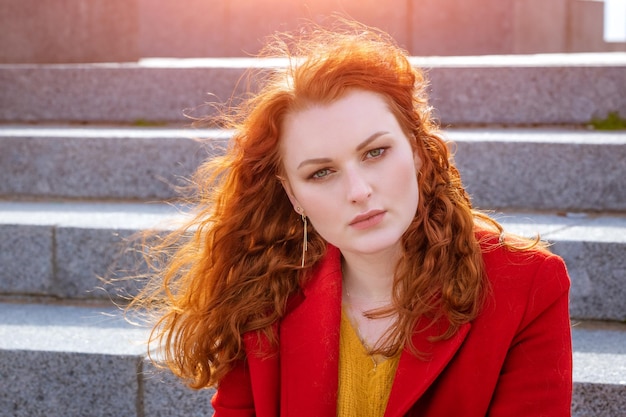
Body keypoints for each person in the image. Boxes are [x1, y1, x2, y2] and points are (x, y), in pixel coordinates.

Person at [133, 20, 573, 416]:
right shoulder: (261, 297)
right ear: (293, 196)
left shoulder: (527, 283)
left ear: (418, 151)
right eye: (321, 172)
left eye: (375, 152)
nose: (358, 191)